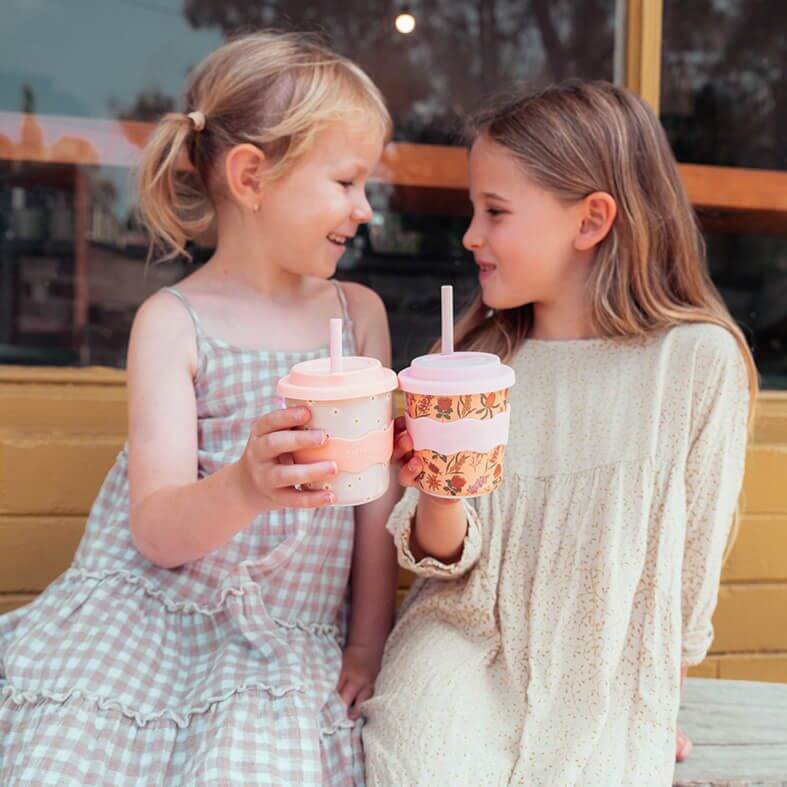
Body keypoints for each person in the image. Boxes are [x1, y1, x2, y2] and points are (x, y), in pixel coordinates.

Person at [0, 31, 398, 785]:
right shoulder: (173, 321)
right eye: (347, 182)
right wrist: (246, 486)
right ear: (251, 175)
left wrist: (367, 645)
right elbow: (155, 530)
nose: (366, 208)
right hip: (153, 626)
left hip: (289, 637)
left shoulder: (359, 314)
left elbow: (374, 505)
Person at [362, 80, 757, 786]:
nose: (469, 235)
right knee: (416, 766)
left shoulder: (694, 361)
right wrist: (441, 485)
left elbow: (692, 558)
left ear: (590, 220)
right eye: (472, 210)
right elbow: (435, 559)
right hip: (463, 639)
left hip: (606, 662)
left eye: (495, 211)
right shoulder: (477, 355)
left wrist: (658, 692)